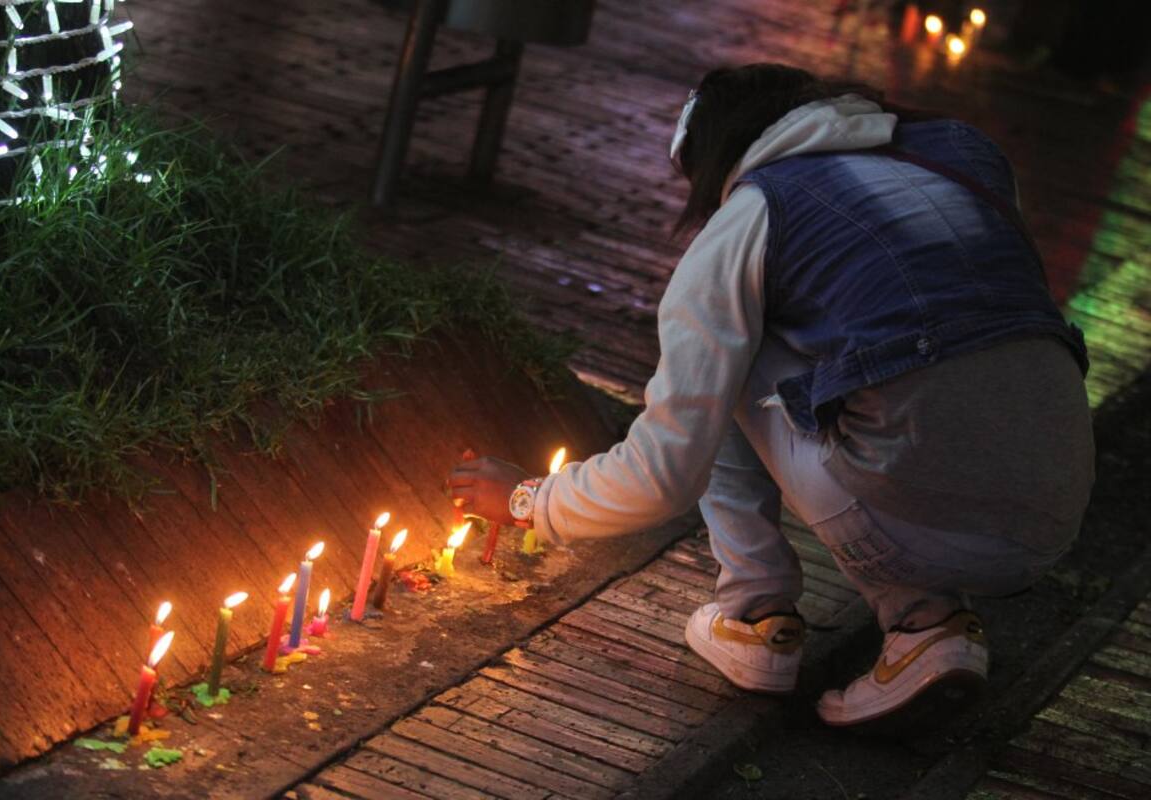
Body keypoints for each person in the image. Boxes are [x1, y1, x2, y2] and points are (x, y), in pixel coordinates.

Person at [448, 63, 1094, 730]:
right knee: (885, 376)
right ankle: (928, 628)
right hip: (1055, 519)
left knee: (729, 354)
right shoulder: (965, 153)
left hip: (913, 518)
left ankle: (755, 618)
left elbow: (663, 475)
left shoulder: (755, 214)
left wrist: (529, 499)